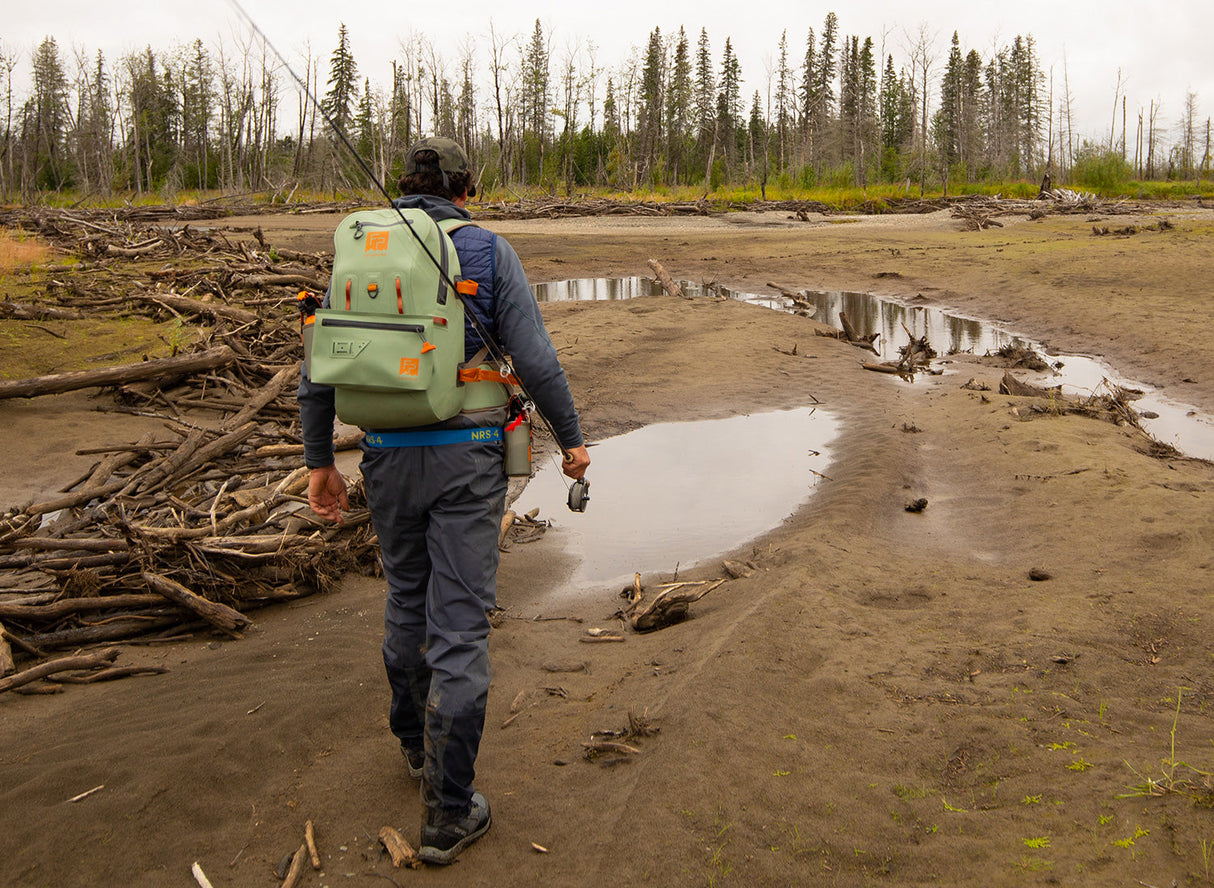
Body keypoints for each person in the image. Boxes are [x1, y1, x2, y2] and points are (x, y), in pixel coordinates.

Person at [298, 136, 590, 864]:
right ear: (467, 186)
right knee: (458, 626)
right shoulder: (488, 250)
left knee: (405, 601)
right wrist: (574, 439)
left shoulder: (361, 246)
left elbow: (321, 363)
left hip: (386, 458)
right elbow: (538, 359)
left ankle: (416, 752)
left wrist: (317, 463)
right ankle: (448, 813)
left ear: (406, 183)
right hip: (467, 462)